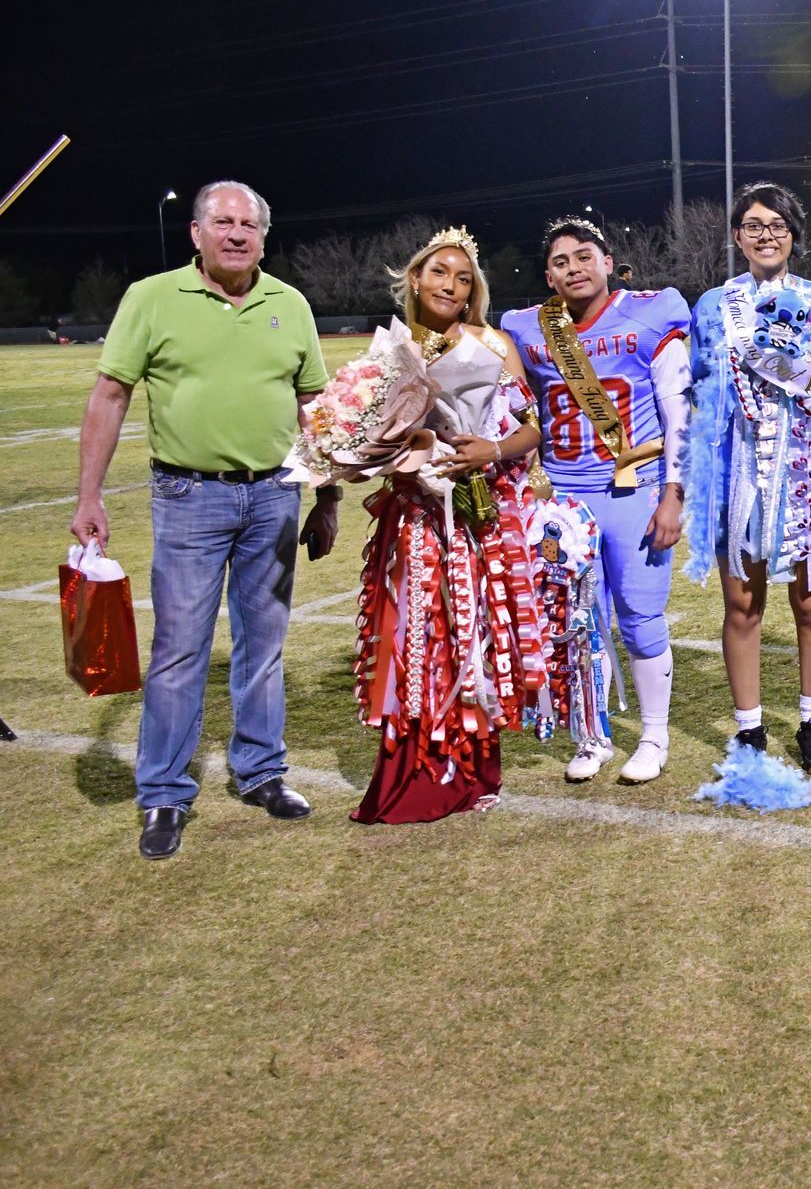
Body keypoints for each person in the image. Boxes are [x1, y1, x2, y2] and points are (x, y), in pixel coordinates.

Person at [71, 180, 338, 860]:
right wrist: (88, 495)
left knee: (265, 644)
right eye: (223, 221)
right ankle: (163, 791)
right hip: (190, 497)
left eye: (250, 224)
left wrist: (328, 497)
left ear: (264, 237)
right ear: (196, 233)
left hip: (276, 496)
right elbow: (110, 396)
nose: (237, 234)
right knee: (181, 648)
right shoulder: (152, 298)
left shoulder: (291, 304)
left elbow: (316, 408)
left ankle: (262, 772)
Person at [348, 228, 547, 824]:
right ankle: (417, 770)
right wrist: (383, 457)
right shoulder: (389, 353)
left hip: (476, 521)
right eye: (440, 273)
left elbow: (532, 430)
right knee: (415, 637)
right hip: (412, 520)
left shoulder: (493, 343)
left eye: (464, 279)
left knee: (474, 636)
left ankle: (474, 766)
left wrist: (490, 451)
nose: (451, 286)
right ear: (415, 278)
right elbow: (363, 442)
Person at [500, 216, 692, 784]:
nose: (573, 268)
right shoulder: (526, 328)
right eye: (560, 262)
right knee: (578, 622)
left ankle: (654, 735)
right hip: (563, 499)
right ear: (549, 277)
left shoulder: (651, 312)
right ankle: (593, 733)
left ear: (608, 262)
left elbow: (680, 414)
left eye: (584, 256)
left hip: (636, 489)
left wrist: (674, 495)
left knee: (640, 614)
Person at [684, 182, 811, 774]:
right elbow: (701, 384)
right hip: (740, 468)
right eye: (754, 225)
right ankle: (749, 730)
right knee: (742, 604)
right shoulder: (713, 305)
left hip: (808, 463)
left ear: (794, 235)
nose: (767, 234)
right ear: (737, 236)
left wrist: (801, 369)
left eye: (778, 224)